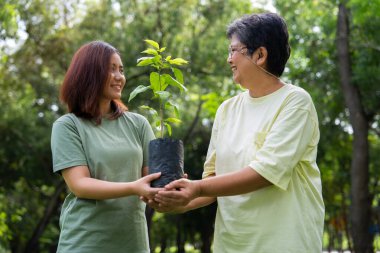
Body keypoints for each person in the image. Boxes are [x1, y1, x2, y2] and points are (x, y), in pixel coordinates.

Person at [150, 13, 325, 252]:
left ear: (260, 55)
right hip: (231, 245)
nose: (228, 59)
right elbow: (211, 183)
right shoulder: (227, 110)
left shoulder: (295, 102)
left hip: (283, 244)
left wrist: (197, 188)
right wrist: (177, 201)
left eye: (234, 50)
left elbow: (265, 172)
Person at [51, 41, 161, 253]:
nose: (119, 77)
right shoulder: (68, 126)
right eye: (111, 69)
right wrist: (133, 187)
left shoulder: (138, 124)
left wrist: (172, 184)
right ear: (90, 74)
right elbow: (79, 184)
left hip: (133, 244)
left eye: (121, 69)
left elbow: (152, 180)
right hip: (84, 243)